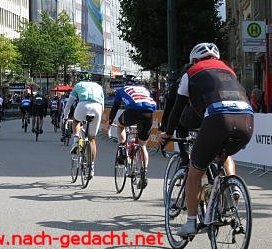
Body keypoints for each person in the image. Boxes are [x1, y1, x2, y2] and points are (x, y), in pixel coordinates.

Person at [160, 43, 254, 237]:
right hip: (247, 118)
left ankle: (191, 223)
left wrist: (167, 134)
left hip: (218, 118)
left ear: (194, 60)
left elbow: (177, 107)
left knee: (195, 172)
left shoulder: (191, 72)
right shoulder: (229, 71)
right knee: (224, 153)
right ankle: (230, 186)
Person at [108, 78, 156, 188]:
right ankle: (144, 172)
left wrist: (110, 122)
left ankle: (122, 148)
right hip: (148, 113)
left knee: (120, 126)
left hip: (132, 111)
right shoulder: (145, 90)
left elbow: (115, 108)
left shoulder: (121, 90)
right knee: (143, 145)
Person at [62, 73, 104, 178]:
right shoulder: (98, 86)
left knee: (76, 121)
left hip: (82, 106)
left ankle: (76, 139)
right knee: (92, 139)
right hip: (97, 108)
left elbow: (69, 103)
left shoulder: (78, 85)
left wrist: (65, 117)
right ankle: (92, 168)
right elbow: (102, 105)